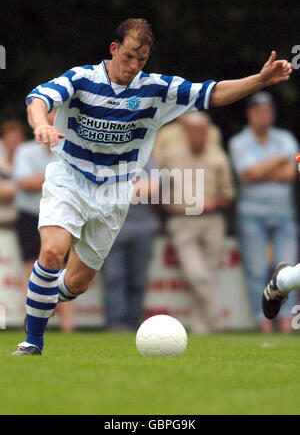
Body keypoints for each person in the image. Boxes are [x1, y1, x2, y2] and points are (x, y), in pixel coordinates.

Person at [12, 18, 292, 355]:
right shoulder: (81, 78)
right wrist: (41, 123)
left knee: (77, 284)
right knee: (53, 251)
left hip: (114, 192)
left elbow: (212, 92)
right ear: (114, 49)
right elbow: (38, 99)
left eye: (141, 60)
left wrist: (260, 80)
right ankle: (33, 342)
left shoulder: (156, 90)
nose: (133, 66)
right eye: (128, 56)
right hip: (69, 178)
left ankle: (40, 295)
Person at [156, 112, 235, 333]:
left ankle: (202, 329)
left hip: (212, 221)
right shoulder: (170, 155)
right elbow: (157, 187)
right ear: (185, 132)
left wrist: (213, 201)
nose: (199, 135)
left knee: (207, 275)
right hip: (181, 221)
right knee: (197, 274)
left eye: (203, 130)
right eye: (194, 130)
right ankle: (218, 320)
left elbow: (228, 195)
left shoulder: (218, 157)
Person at [229, 92, 298, 333]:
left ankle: (288, 321)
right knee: (256, 268)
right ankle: (264, 321)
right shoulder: (239, 142)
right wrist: (278, 160)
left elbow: (291, 172)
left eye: (267, 111)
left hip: (283, 212)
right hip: (251, 213)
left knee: (288, 266)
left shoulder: (286, 137)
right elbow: (246, 175)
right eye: (258, 111)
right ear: (250, 114)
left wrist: (261, 170)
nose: (263, 116)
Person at [13, 110, 74, 333]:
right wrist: (58, 179)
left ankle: (67, 326)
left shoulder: (70, 149)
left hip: (62, 214)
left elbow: (73, 180)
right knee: (32, 269)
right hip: (31, 215)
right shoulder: (25, 150)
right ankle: (32, 322)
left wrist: (42, 178)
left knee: (63, 270)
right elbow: (24, 182)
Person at [101, 157, 160, 331]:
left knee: (138, 280)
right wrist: (137, 187)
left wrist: (118, 189)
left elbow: (154, 187)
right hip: (110, 229)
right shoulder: (106, 157)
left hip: (143, 229)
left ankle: (134, 324)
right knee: (113, 277)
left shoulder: (146, 158)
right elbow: (97, 191)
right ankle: (116, 325)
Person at [0, 119, 25, 228]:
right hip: (3, 227)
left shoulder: (29, 166)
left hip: (26, 227)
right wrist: (28, 186)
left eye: (16, 141)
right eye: (10, 141)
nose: (13, 146)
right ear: (3, 142)